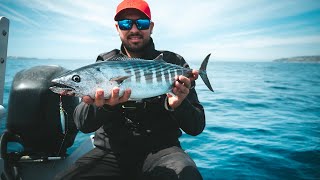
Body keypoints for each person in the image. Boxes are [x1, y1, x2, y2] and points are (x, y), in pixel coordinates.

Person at [55, 0, 205, 179]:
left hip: (163, 150)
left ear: (151, 26)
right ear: (117, 28)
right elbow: (83, 124)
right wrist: (105, 106)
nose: (134, 29)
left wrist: (179, 105)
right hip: (112, 151)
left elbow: (196, 127)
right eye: (126, 23)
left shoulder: (173, 63)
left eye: (141, 23)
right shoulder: (104, 64)